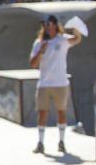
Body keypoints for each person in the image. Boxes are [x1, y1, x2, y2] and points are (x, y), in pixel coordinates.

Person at [30, 15, 83, 153]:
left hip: (60, 83)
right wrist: (41, 51)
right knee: (42, 113)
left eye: (48, 24)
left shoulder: (62, 39)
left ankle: (61, 141)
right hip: (44, 83)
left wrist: (76, 29)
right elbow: (33, 64)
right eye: (44, 25)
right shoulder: (38, 43)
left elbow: (77, 39)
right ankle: (40, 143)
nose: (46, 27)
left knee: (61, 112)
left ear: (54, 25)